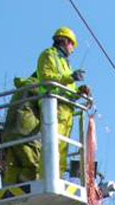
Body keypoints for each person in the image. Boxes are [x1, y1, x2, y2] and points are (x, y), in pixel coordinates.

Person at [36, 26, 89, 178]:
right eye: (72, 44)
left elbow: (68, 92)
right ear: (65, 41)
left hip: (66, 111)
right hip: (53, 107)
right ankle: (45, 179)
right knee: (51, 147)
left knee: (61, 150)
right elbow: (47, 78)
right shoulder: (48, 55)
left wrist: (79, 93)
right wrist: (70, 77)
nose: (72, 49)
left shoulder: (65, 63)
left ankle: (56, 178)